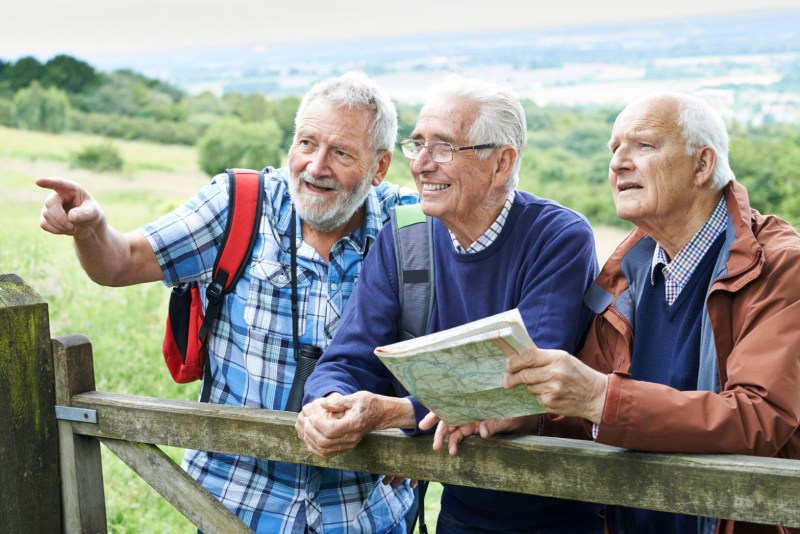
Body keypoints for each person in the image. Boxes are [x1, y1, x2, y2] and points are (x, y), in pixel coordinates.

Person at [37, 71, 420, 533]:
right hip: (235, 506)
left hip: (362, 513)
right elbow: (121, 262)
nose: (316, 167)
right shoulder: (240, 203)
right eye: (306, 143)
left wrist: (405, 416)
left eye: (340, 153)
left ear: (379, 168)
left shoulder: (412, 228)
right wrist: (91, 228)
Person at [455, 92, 800, 533]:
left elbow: (759, 417)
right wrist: (531, 416)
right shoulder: (622, 277)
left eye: (644, 145)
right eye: (614, 149)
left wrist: (601, 397)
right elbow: (587, 415)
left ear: (702, 165)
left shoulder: (779, 267)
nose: (619, 162)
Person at [297, 76, 604, 533]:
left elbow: (520, 389)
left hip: (557, 510)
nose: (420, 164)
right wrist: (330, 403)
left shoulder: (557, 238)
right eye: (416, 144)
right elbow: (347, 356)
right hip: (460, 510)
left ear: (501, 164)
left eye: (443, 148)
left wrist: (393, 412)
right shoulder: (403, 238)